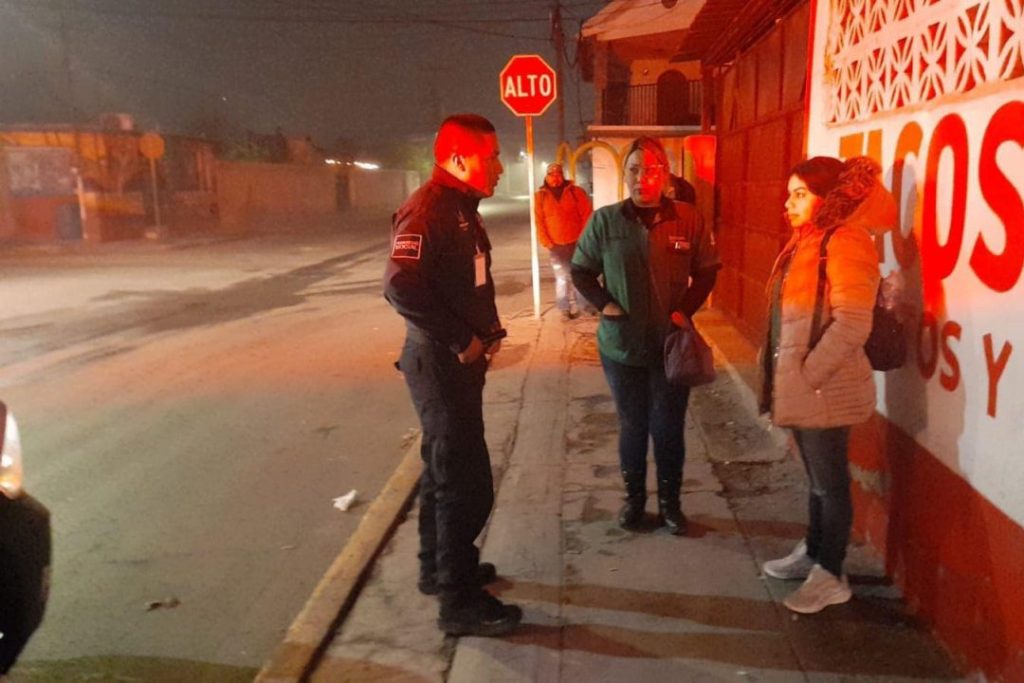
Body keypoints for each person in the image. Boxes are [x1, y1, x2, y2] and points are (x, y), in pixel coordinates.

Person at [383, 113, 522, 637]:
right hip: (440, 364)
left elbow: (466, 282)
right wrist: (462, 340)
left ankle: (438, 571)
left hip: (454, 364)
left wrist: (485, 333)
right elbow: (400, 285)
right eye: (492, 157)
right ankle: (458, 602)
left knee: (443, 475)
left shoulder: (462, 207)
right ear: (460, 159)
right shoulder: (430, 209)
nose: (500, 167)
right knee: (466, 484)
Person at [759, 155, 895, 614]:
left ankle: (831, 574)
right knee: (817, 480)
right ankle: (814, 552)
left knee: (830, 484)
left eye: (800, 194)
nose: (788, 203)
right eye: (790, 194)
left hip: (825, 388)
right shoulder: (809, 240)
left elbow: (853, 323)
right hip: (803, 386)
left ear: (827, 198)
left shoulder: (846, 241)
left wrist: (807, 376)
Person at [571, 137, 720, 535]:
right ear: (625, 175)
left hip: (672, 348)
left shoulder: (688, 218)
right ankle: (634, 502)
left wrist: (683, 311)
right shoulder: (605, 221)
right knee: (633, 426)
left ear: (665, 175)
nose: (642, 178)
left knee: (668, 428)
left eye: (651, 170)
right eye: (634, 169)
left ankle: (671, 506)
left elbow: (707, 271)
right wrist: (605, 305)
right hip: (622, 348)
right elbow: (580, 271)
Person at [534, 162, 593, 320]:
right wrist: (547, 242)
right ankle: (564, 307)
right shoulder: (540, 196)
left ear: (563, 176)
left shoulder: (575, 192)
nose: (555, 178)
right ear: (546, 177)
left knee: (579, 275)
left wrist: (583, 239)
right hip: (556, 246)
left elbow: (587, 215)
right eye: (551, 175)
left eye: (558, 174)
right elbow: (539, 221)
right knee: (562, 278)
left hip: (577, 243)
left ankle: (583, 305)